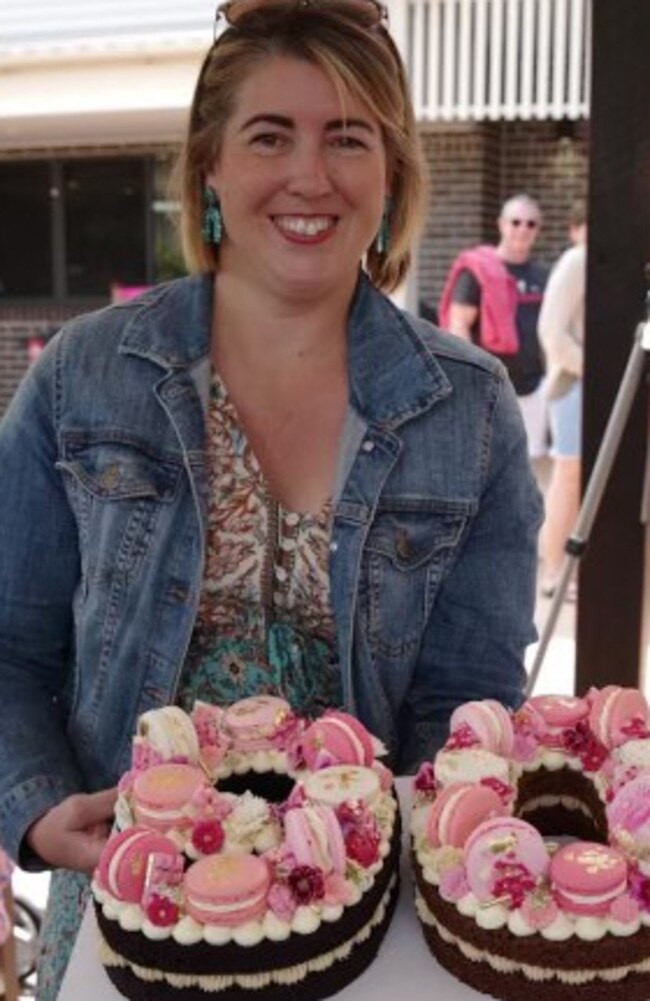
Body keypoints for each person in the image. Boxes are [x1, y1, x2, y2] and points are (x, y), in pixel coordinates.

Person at [0, 1, 543, 996]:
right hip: (134, 914)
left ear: (389, 174)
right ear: (209, 165)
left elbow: (463, 698)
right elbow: (6, 644)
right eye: (269, 135)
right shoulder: (84, 379)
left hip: (370, 927)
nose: (309, 175)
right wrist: (32, 804)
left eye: (346, 138)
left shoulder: (466, 411)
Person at [438, 194, 550, 462]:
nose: (523, 229)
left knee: (529, 467)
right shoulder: (478, 271)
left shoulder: (545, 276)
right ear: (501, 224)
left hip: (534, 389)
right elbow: (458, 326)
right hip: (490, 391)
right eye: (516, 221)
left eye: (531, 224)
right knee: (483, 468)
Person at [538, 202, 587, 598]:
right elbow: (551, 332)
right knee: (568, 476)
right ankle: (554, 572)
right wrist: (596, 370)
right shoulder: (577, 260)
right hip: (574, 384)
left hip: (600, 386)